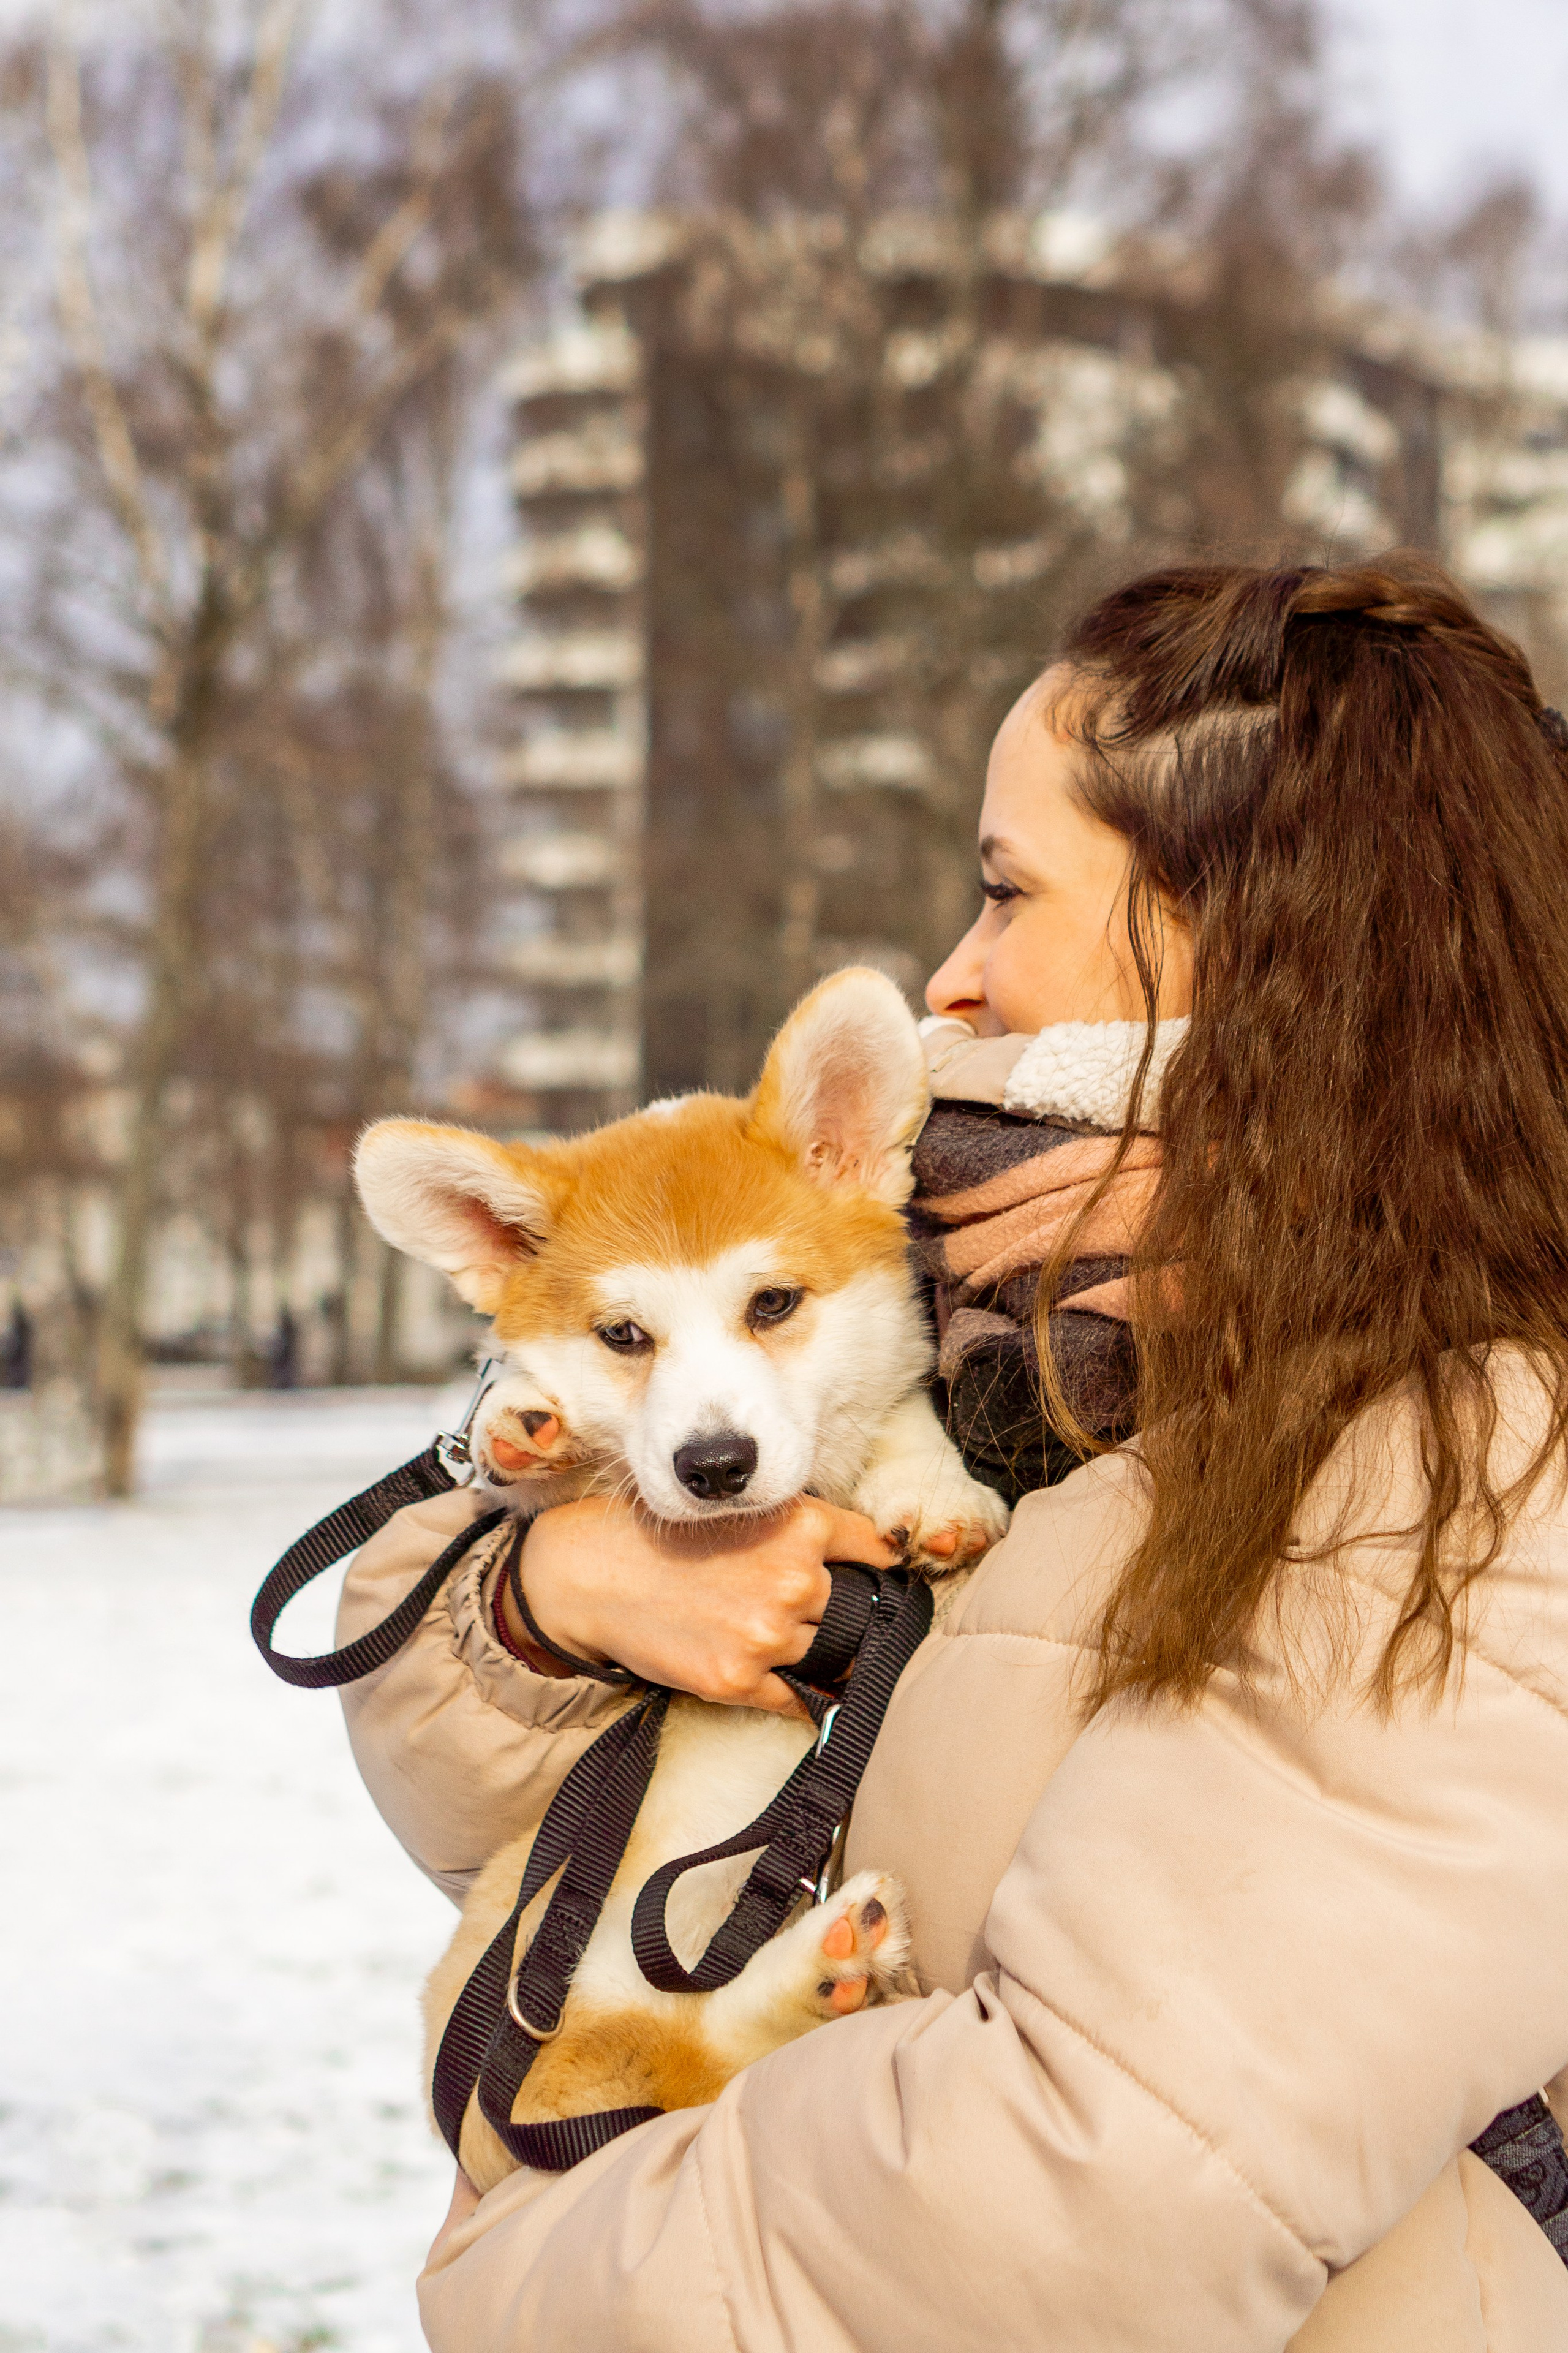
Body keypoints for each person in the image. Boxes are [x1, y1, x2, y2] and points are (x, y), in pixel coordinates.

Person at [337, 554, 1568, 2350]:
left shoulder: (1465, 1461)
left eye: (1006, 893)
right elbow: (512, 1781)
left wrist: (533, 2267)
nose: (952, 977)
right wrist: (547, 1595)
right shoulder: (1011, 1323)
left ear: (1272, 935)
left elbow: (1091, 2193)